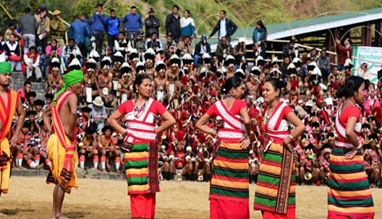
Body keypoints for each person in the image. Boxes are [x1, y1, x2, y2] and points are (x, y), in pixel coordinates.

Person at [107, 73, 176, 219]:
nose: (149, 88)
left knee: (149, 188)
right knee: (136, 187)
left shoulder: (155, 104)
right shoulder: (127, 105)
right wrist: (125, 132)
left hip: (149, 149)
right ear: (137, 87)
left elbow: (171, 120)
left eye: (150, 85)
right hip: (132, 150)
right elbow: (111, 119)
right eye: (145, 85)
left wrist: (155, 131)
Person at [195, 76, 251, 219]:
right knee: (239, 187)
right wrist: (247, 135)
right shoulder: (240, 103)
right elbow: (247, 120)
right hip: (238, 150)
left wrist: (215, 132)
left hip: (222, 150)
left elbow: (199, 124)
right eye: (241, 88)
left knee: (221, 187)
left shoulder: (217, 105)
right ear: (232, 90)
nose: (243, 91)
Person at [253, 78, 305, 219]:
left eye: (267, 90)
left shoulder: (284, 108)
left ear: (276, 92)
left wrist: (288, 139)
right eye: (263, 90)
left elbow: (300, 126)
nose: (264, 93)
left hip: (281, 154)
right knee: (268, 189)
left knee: (279, 190)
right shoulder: (268, 108)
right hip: (269, 154)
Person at [327, 75, 375, 219]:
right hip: (349, 159)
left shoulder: (342, 105)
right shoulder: (354, 109)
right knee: (363, 204)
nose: (365, 94)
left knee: (339, 200)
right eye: (362, 90)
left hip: (336, 156)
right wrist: (358, 146)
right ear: (354, 92)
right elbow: (349, 132)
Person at [43, 69, 84, 219]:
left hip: (55, 139)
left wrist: (52, 130)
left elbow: (45, 115)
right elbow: (73, 113)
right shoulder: (71, 96)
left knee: (59, 179)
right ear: (73, 84)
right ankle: (57, 214)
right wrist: (71, 131)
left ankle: (55, 213)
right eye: (80, 83)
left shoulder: (58, 97)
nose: (82, 86)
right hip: (63, 141)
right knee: (62, 179)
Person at [0, 62, 25, 216]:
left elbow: (21, 113)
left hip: (4, 140)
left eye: (9, 74)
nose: (8, 77)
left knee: (4, 172)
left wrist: (16, 135)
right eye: (5, 74)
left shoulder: (15, 96)